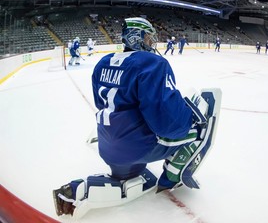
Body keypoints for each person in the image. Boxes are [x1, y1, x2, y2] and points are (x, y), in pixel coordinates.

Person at [53, 17, 213, 217]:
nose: (151, 43)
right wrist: (189, 115)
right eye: (147, 38)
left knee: (131, 157)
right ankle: (172, 176)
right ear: (135, 37)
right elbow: (167, 123)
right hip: (136, 148)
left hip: (108, 147)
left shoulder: (103, 63)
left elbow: (101, 103)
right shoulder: (152, 63)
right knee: (202, 126)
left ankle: (110, 180)